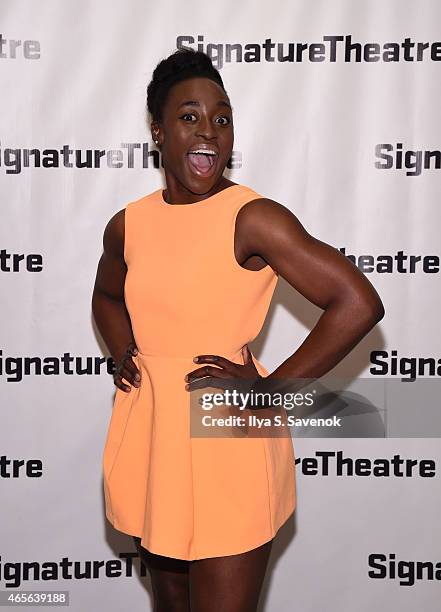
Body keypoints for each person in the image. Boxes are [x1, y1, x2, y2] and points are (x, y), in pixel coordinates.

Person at [91, 48, 384, 612]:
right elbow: (106, 294)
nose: (209, 132)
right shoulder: (129, 224)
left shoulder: (251, 217)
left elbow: (356, 301)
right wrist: (123, 347)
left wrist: (270, 392)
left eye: (222, 118)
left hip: (225, 437)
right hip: (155, 440)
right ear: (156, 131)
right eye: (190, 116)